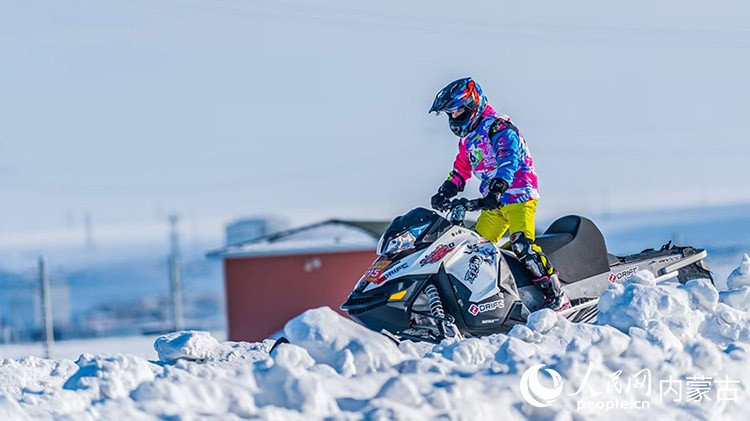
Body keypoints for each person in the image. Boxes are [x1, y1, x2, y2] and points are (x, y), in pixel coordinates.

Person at [428, 77, 570, 312]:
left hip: (517, 196)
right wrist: (446, 190)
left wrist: (498, 186)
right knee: (474, 251)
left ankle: (556, 294)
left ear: (473, 105)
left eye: (458, 111)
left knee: (522, 245)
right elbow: (461, 168)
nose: (454, 118)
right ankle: (490, 302)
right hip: (492, 204)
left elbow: (509, 159)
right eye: (450, 114)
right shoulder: (468, 140)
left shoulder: (498, 128)